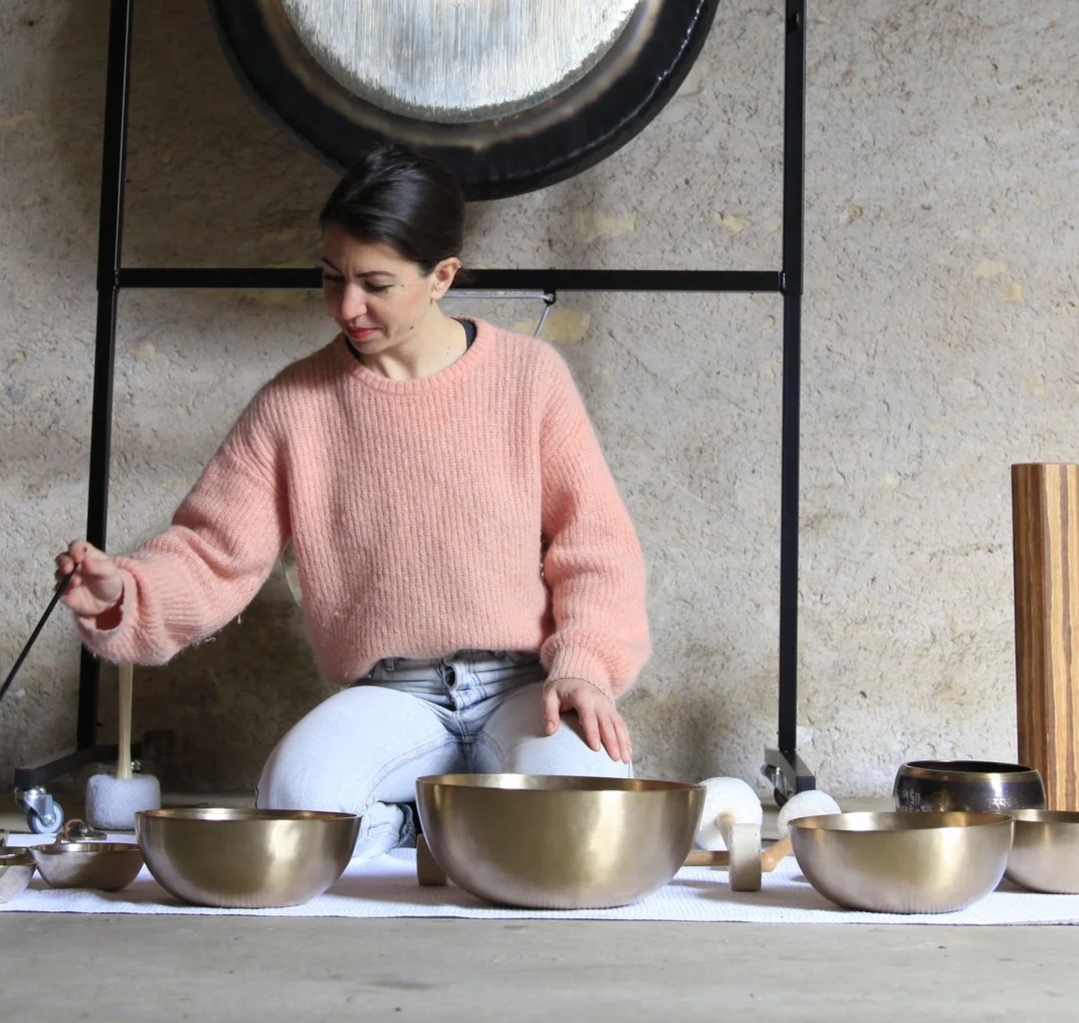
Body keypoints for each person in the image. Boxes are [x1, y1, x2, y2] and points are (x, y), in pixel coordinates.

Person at [55, 142, 650, 859]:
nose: (346, 307)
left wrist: (583, 667)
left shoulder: (530, 379)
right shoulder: (295, 403)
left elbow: (597, 549)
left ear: (441, 276)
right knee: (292, 807)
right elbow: (213, 553)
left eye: (376, 284)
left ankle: (458, 825)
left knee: (588, 822)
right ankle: (425, 827)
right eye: (332, 276)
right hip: (393, 695)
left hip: (527, 686)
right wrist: (127, 591)